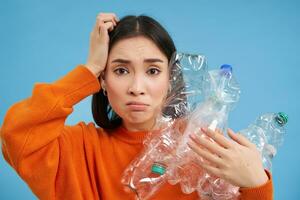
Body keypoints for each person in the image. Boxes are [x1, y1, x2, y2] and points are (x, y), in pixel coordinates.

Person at [0, 12, 273, 200]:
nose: (136, 87)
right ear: (103, 81)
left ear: (171, 79)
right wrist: (90, 68)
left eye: (153, 71)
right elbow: (17, 134)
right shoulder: (78, 149)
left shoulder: (201, 148)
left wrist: (256, 185)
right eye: (120, 71)